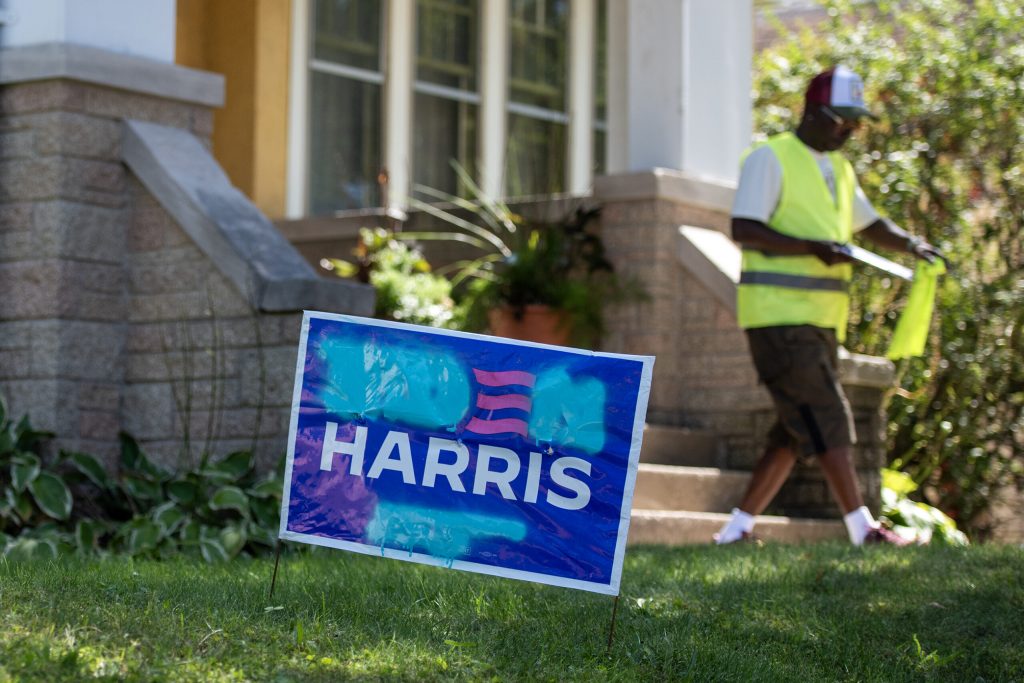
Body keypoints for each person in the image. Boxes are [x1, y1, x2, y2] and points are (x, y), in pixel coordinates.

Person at [715, 65, 943, 546]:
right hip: (777, 318)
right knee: (828, 415)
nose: (851, 129)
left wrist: (911, 245)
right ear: (814, 113)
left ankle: (736, 530)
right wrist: (812, 247)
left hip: (818, 320)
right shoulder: (769, 158)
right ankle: (864, 530)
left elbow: (868, 222)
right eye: (843, 119)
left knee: (795, 431)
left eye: (856, 120)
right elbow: (744, 229)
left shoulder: (838, 169)